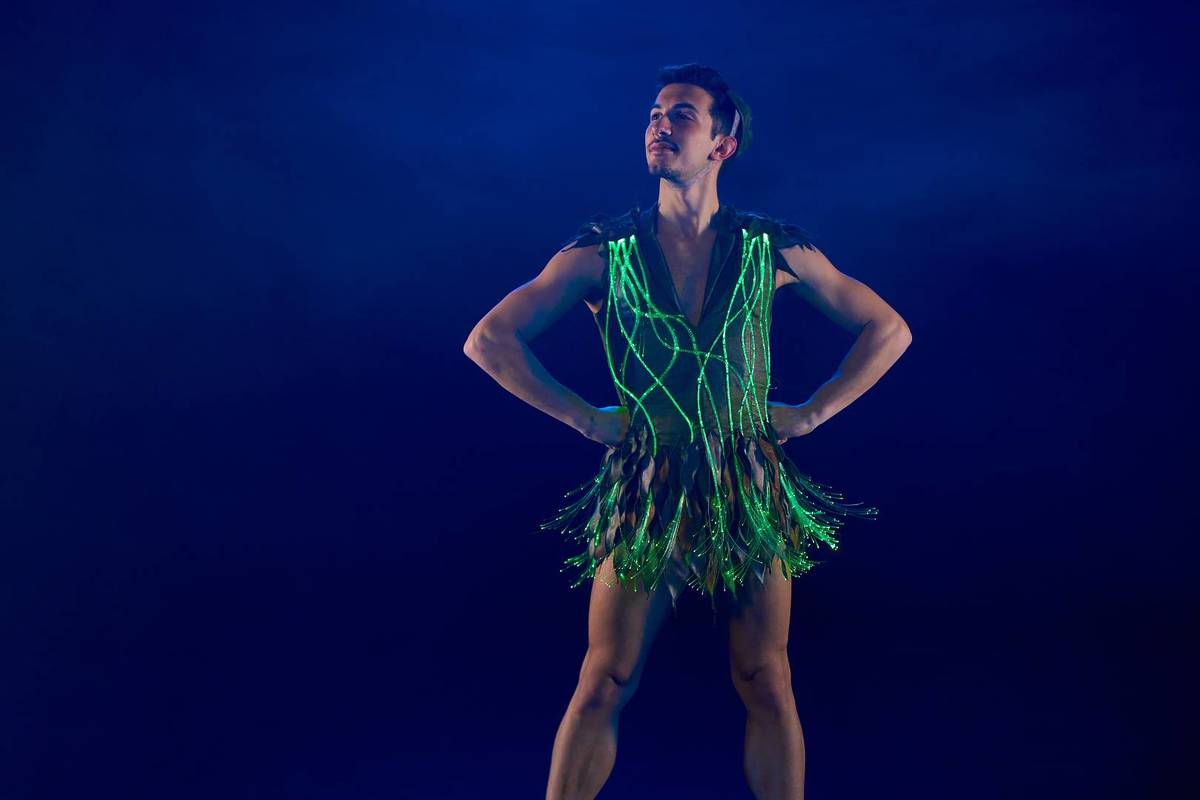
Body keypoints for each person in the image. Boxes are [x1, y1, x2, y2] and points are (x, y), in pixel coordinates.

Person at [463, 63, 911, 800]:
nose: (659, 125)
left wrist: (812, 412)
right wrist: (583, 417)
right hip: (648, 487)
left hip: (748, 484)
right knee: (604, 679)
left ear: (722, 144)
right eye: (654, 114)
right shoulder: (605, 249)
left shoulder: (769, 245)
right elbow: (489, 339)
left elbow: (887, 328)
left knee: (766, 678)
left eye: (681, 115)